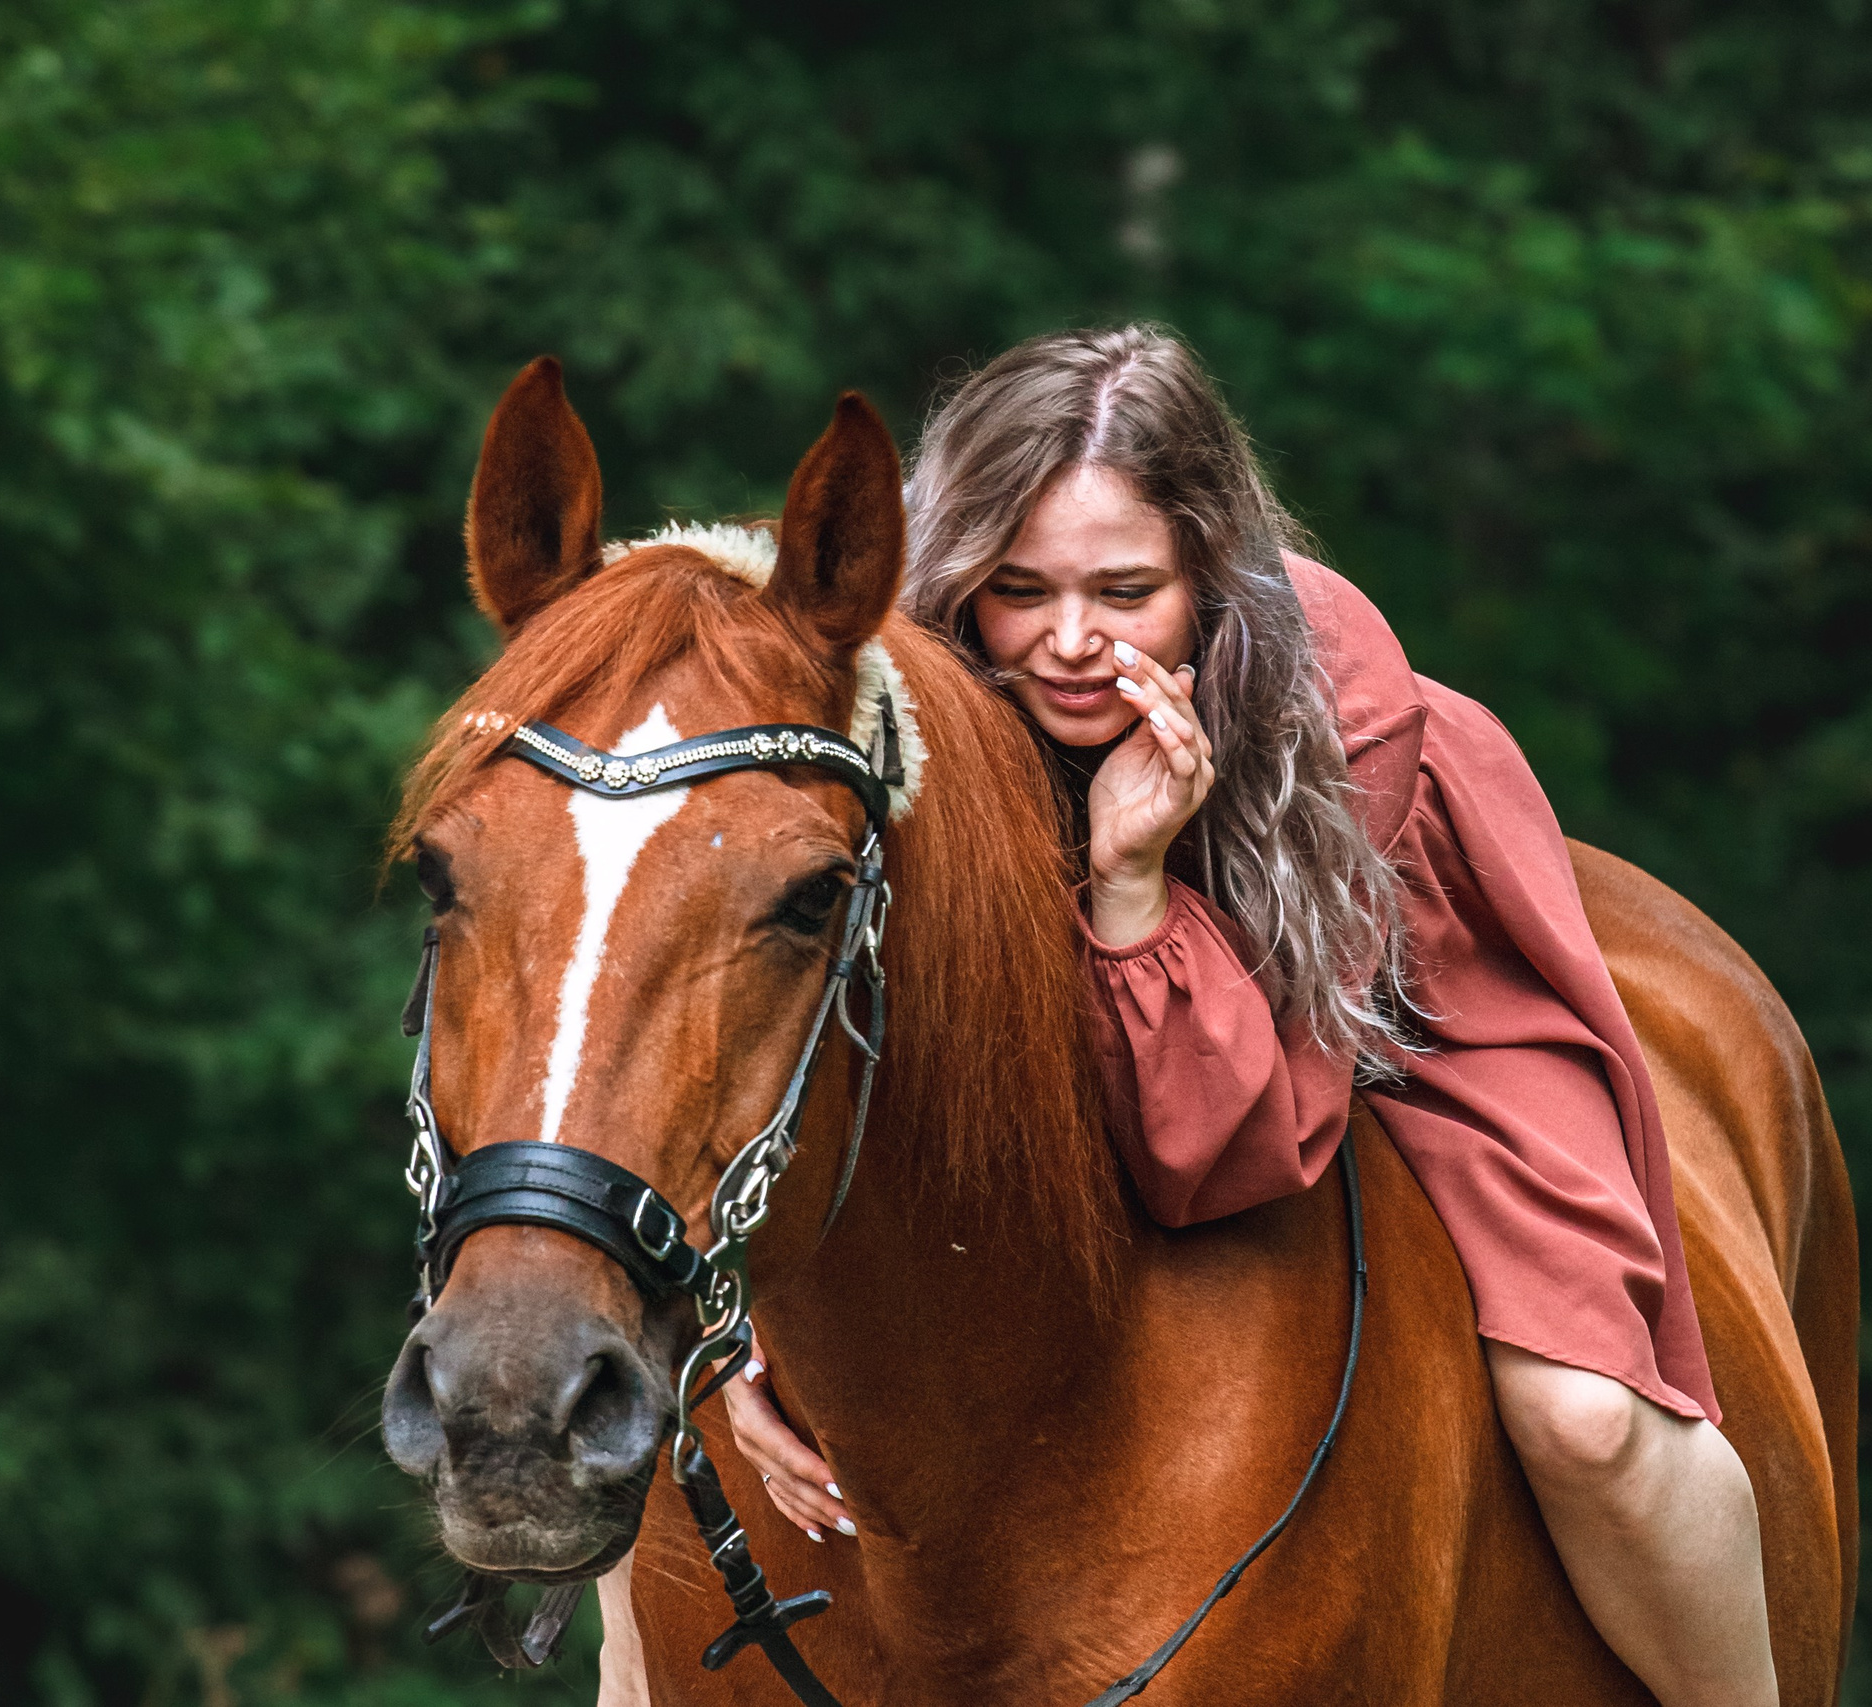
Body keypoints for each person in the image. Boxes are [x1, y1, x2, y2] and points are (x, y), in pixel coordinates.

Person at [726, 324, 1780, 1707]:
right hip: (1123, 978)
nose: (1071, 642)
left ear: (1207, 572)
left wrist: (1128, 875)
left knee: (1583, 1419)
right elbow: (808, 1039)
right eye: (1020, 589)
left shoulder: (1332, 706)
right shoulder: (900, 691)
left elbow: (1221, 1154)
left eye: (1125, 589)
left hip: (1386, 966)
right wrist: (746, 1325)